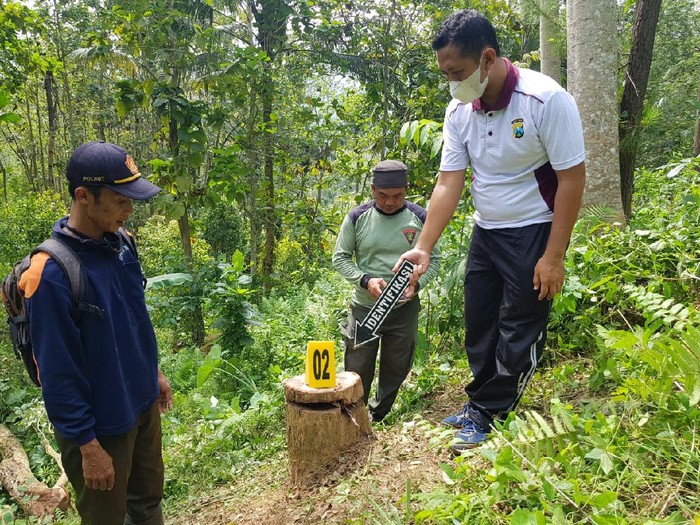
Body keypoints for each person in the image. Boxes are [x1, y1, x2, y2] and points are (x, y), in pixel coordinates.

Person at [394, 10, 586, 453]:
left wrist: (553, 256)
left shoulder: (545, 100)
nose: (452, 82)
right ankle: (480, 402)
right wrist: (423, 247)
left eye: (457, 72)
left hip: (534, 229)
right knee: (479, 321)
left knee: (518, 324)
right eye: (445, 73)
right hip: (487, 230)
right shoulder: (460, 108)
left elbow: (572, 180)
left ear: (487, 58)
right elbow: (449, 181)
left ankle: (492, 412)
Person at [20, 141, 173, 524]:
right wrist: (87, 445)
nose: (129, 209)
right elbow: (57, 371)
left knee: (148, 503)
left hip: (140, 405)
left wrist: (153, 373)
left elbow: (136, 319)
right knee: (106, 518)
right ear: (83, 196)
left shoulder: (122, 245)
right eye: (120, 199)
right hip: (99, 428)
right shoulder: (51, 274)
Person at [333, 160, 441, 422]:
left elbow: (434, 260)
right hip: (365, 309)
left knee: (397, 366)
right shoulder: (358, 217)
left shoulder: (421, 217)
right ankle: (353, 417)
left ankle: (377, 415)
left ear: (406, 190)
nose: (390, 202)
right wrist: (365, 280)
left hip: (403, 310)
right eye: (383, 196)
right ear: (372, 190)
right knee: (358, 367)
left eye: (397, 196)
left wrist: (417, 285)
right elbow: (340, 258)